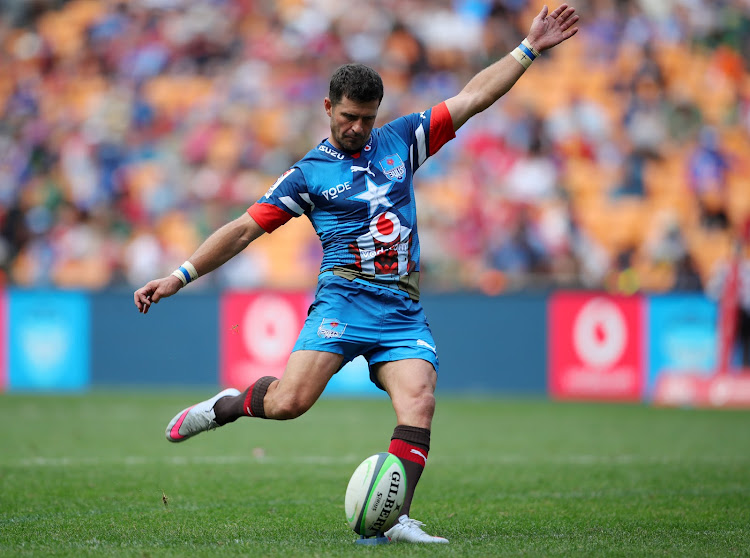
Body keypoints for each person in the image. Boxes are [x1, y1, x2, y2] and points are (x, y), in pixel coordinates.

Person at [134, 4, 579, 544]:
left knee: (420, 400)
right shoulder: (308, 174)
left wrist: (527, 48)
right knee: (288, 403)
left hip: (402, 308)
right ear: (327, 107)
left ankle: (396, 518)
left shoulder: (402, 139)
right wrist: (178, 276)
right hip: (344, 299)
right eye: (348, 116)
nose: (358, 127)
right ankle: (223, 407)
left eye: (367, 117)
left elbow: (473, 97)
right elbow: (243, 230)